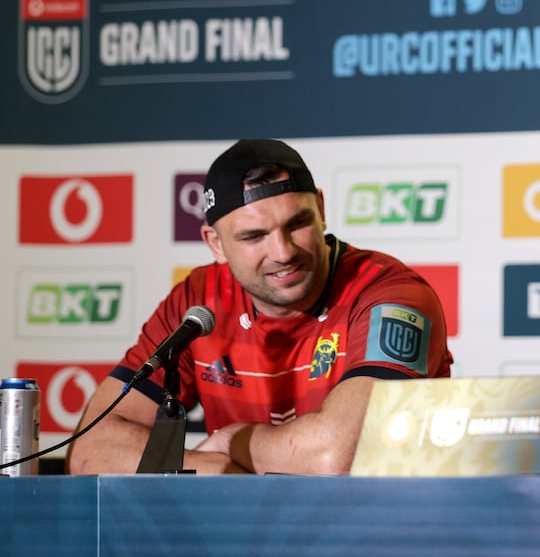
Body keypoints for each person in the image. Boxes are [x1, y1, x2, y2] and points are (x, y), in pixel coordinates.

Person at [67, 139, 453, 474]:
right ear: (215, 243)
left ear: (320, 208)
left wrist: (233, 442)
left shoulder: (388, 293)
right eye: (254, 236)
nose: (283, 252)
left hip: (383, 537)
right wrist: (209, 467)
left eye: (297, 223)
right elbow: (89, 452)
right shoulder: (197, 301)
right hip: (248, 539)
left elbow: (336, 455)